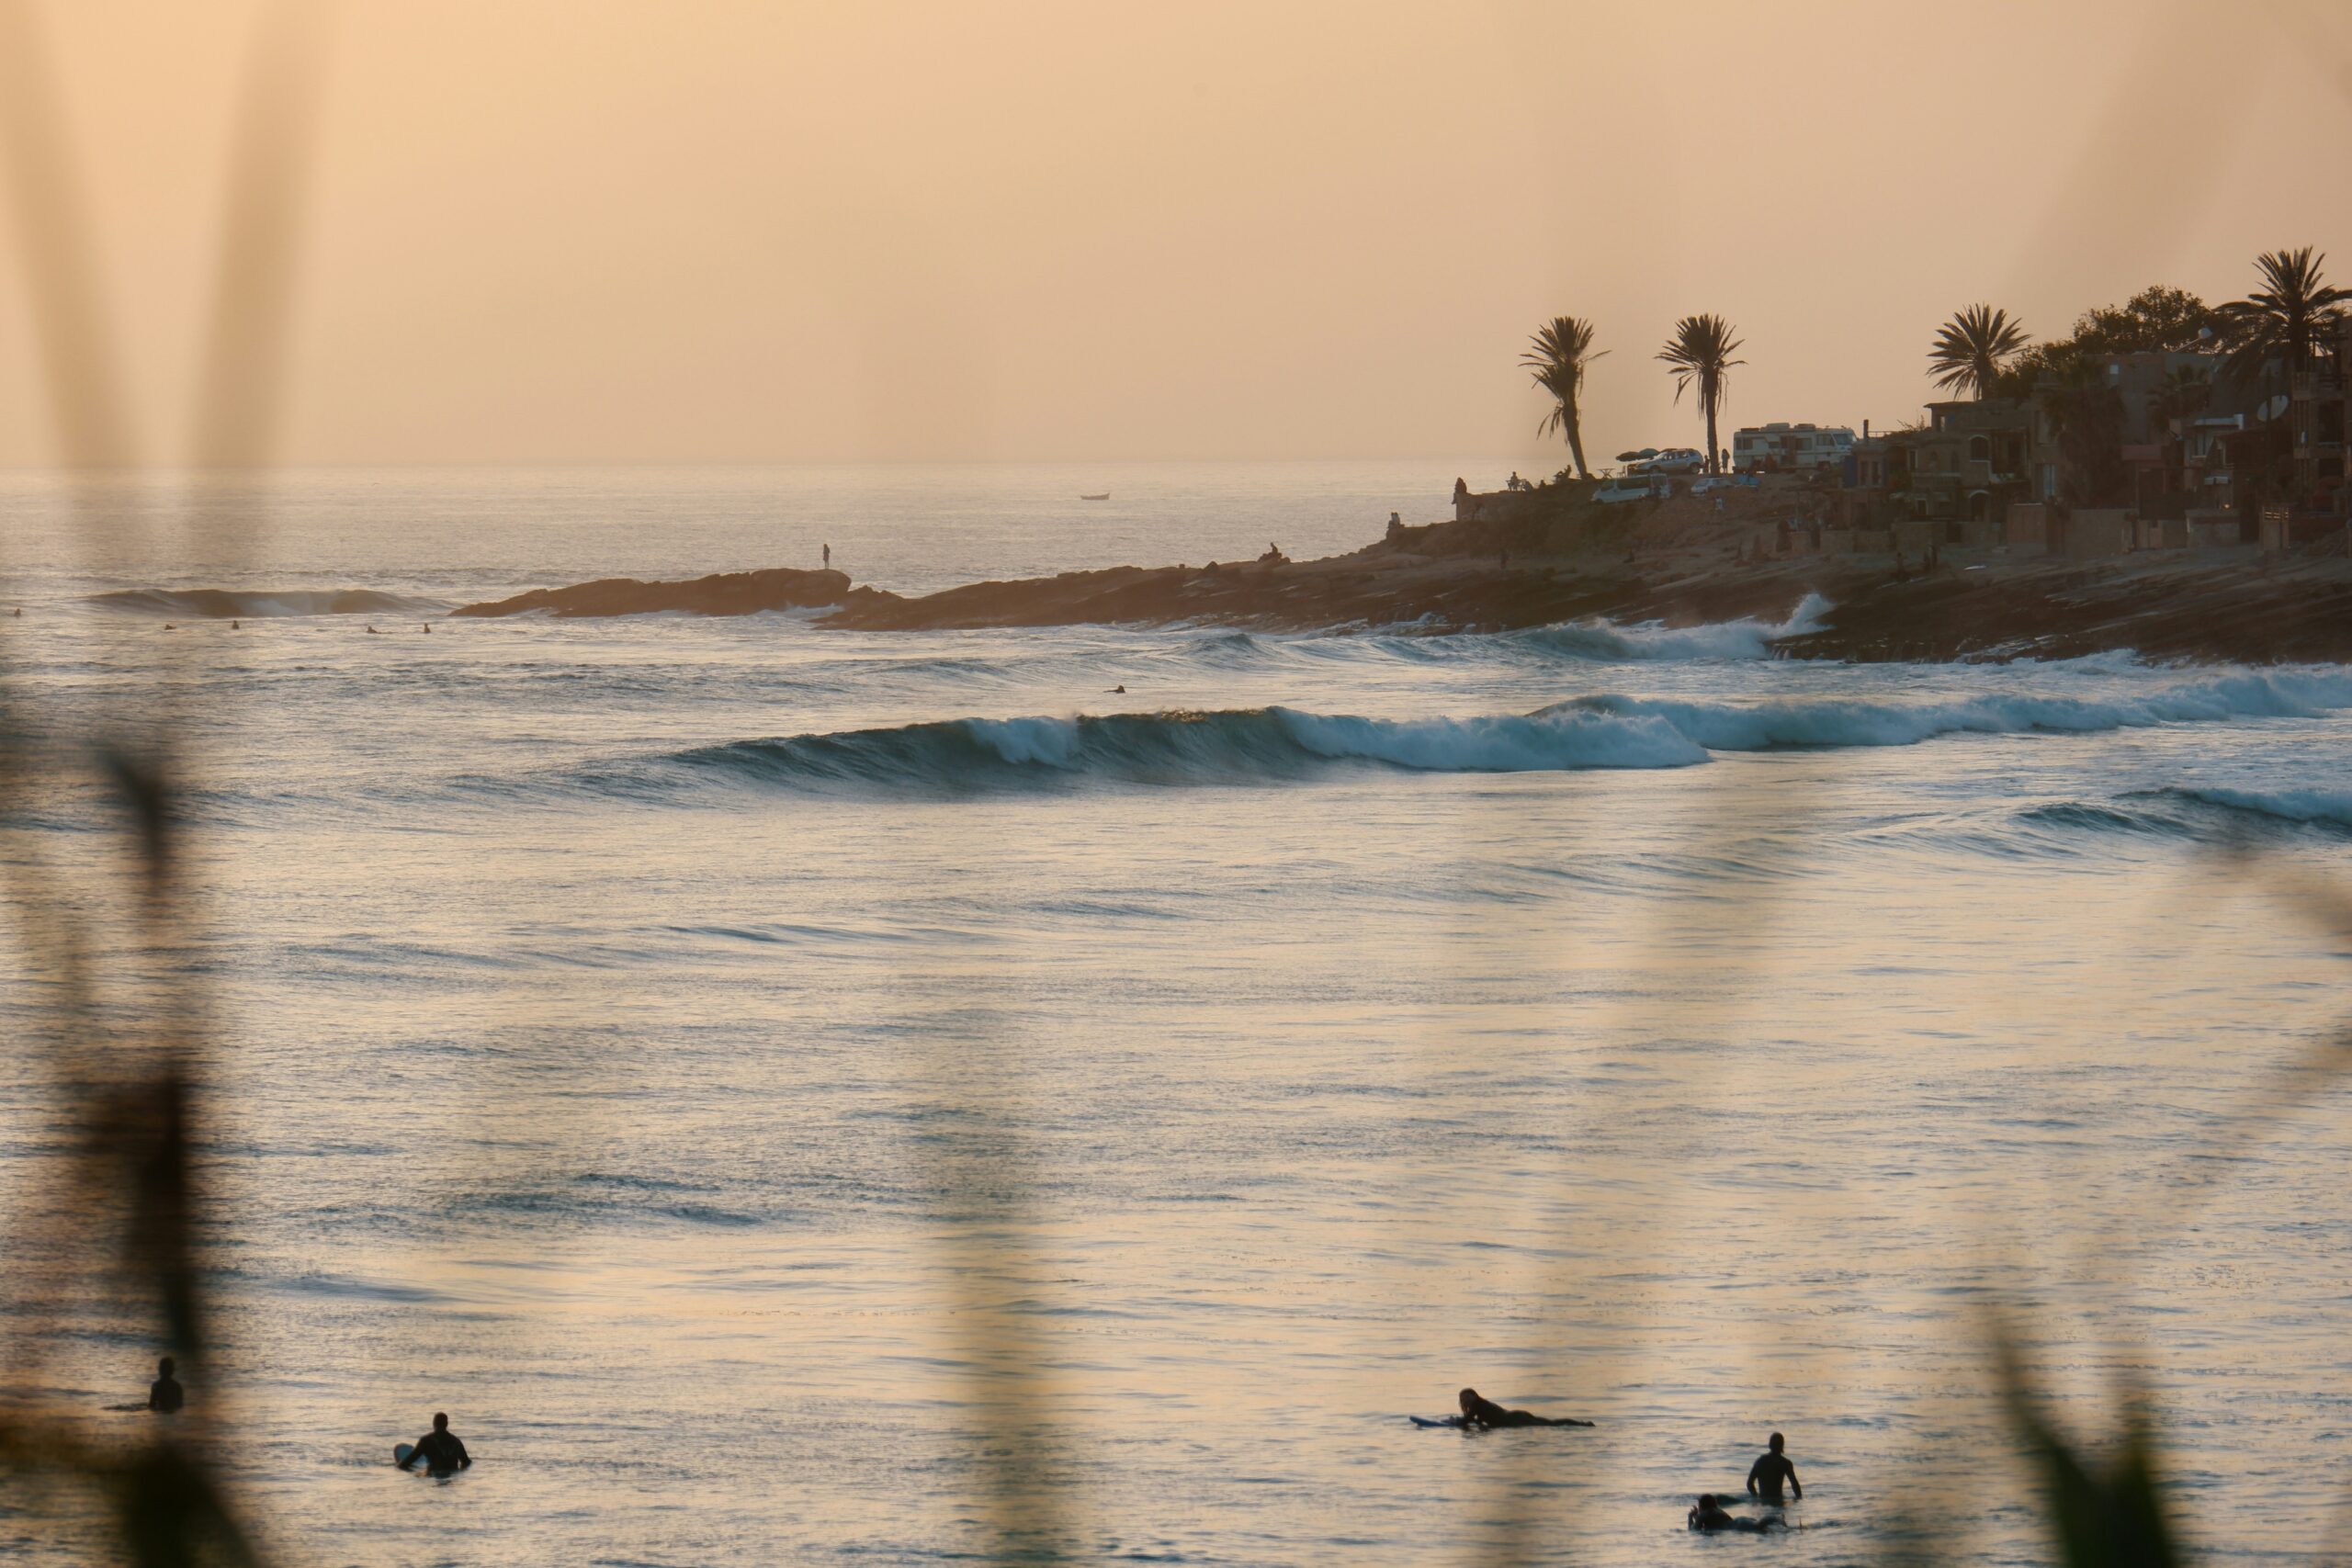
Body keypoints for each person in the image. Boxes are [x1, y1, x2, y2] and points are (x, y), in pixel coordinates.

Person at [1456, 1387, 1592, 1428]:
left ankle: (1582, 1424)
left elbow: (1465, 1421)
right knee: (1551, 1423)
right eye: (1462, 1398)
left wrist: (1452, 1422)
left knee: (1551, 1424)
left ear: (1474, 1396)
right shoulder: (1482, 1404)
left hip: (1514, 1419)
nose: (1465, 1400)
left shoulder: (1477, 1405)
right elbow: (1479, 1420)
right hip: (1516, 1416)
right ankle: (1582, 1424)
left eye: (1467, 1397)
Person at [399, 1412, 471, 1473]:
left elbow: (407, 1462)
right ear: (447, 1424)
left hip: (433, 1474)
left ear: (434, 1423)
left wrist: (400, 1468)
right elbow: (466, 1462)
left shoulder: (426, 1440)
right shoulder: (457, 1441)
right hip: (453, 1474)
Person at [1747, 1431, 1801, 1502]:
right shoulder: (1785, 1463)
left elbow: (1749, 1484)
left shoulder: (1760, 1461)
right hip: (1778, 1501)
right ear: (1782, 1445)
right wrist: (1799, 1499)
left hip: (1763, 1500)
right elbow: (1794, 1485)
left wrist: (1756, 1497)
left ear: (1769, 1445)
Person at [1689, 1494, 1776, 1532]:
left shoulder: (1703, 1515)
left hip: (1737, 1527)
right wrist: (1697, 1518)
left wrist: (1690, 1517)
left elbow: (1694, 1530)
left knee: (1759, 1526)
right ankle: (1777, 1518)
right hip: (1740, 1520)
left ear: (1702, 1505)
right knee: (1759, 1525)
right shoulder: (1718, 1510)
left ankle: (1777, 1518)